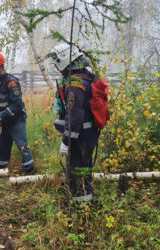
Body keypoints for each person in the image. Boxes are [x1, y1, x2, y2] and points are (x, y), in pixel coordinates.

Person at [50, 43, 99, 202]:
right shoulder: (85, 75)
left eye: (58, 65)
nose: (58, 69)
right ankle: (84, 202)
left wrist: (66, 141)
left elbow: (75, 117)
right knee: (83, 172)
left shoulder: (75, 85)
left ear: (64, 61)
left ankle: (81, 209)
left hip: (81, 138)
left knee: (77, 173)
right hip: (86, 135)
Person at [0, 52, 34, 173]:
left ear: (2, 67)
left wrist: (0, 115)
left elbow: (17, 105)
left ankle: (28, 170)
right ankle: (0, 169)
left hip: (16, 120)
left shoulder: (11, 82)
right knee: (3, 145)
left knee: (22, 145)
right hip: (3, 120)